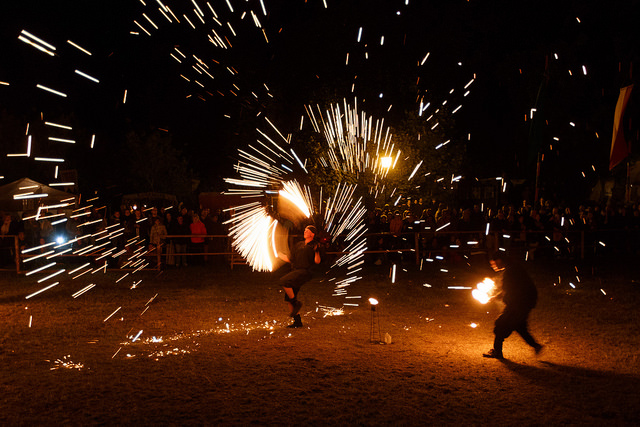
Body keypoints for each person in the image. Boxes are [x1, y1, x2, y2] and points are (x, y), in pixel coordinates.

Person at [483, 252, 543, 359]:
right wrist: (496, 297)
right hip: (525, 302)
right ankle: (536, 346)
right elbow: (509, 288)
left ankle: (497, 351)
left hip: (519, 303)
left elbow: (509, 289)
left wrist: (498, 297)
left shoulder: (511, 271)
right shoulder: (513, 268)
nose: (493, 266)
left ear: (499, 260)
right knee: (520, 326)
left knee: (500, 324)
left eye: (494, 263)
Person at [278, 225, 322, 328]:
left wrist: (317, 251)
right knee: (289, 298)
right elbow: (290, 259)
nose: (304, 231)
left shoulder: (314, 245)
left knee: (283, 281)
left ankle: (296, 303)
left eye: (307, 231)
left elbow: (317, 261)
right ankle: (297, 322)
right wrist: (278, 254)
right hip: (296, 271)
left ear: (312, 234)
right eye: (305, 230)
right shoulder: (299, 245)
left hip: (305, 272)